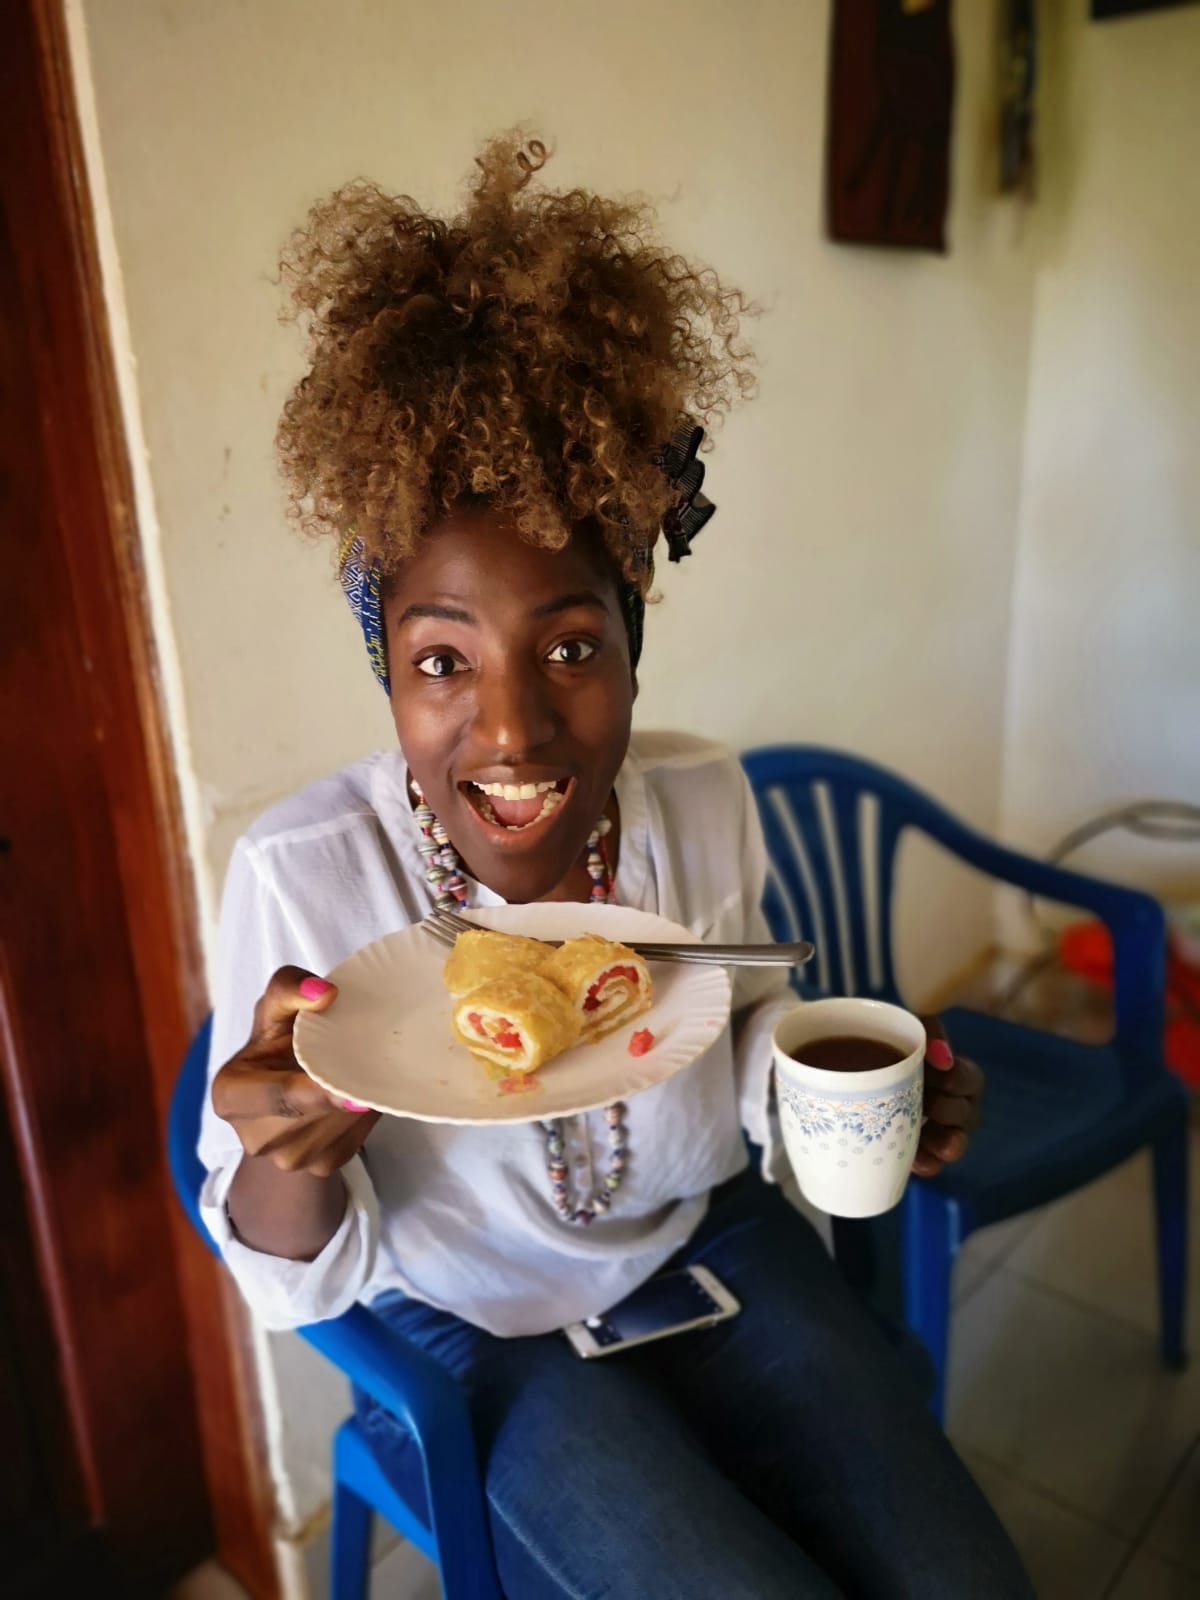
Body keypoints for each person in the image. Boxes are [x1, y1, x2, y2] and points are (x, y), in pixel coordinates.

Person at [201, 134, 1031, 1598]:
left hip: (712, 1246)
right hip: (480, 1325)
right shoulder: (304, 878)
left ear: (634, 637)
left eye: (571, 647)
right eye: (441, 661)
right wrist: (283, 1151)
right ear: (387, 668)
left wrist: (836, 1094)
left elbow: (740, 1029)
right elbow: (283, 1276)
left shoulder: (699, 800)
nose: (512, 729)